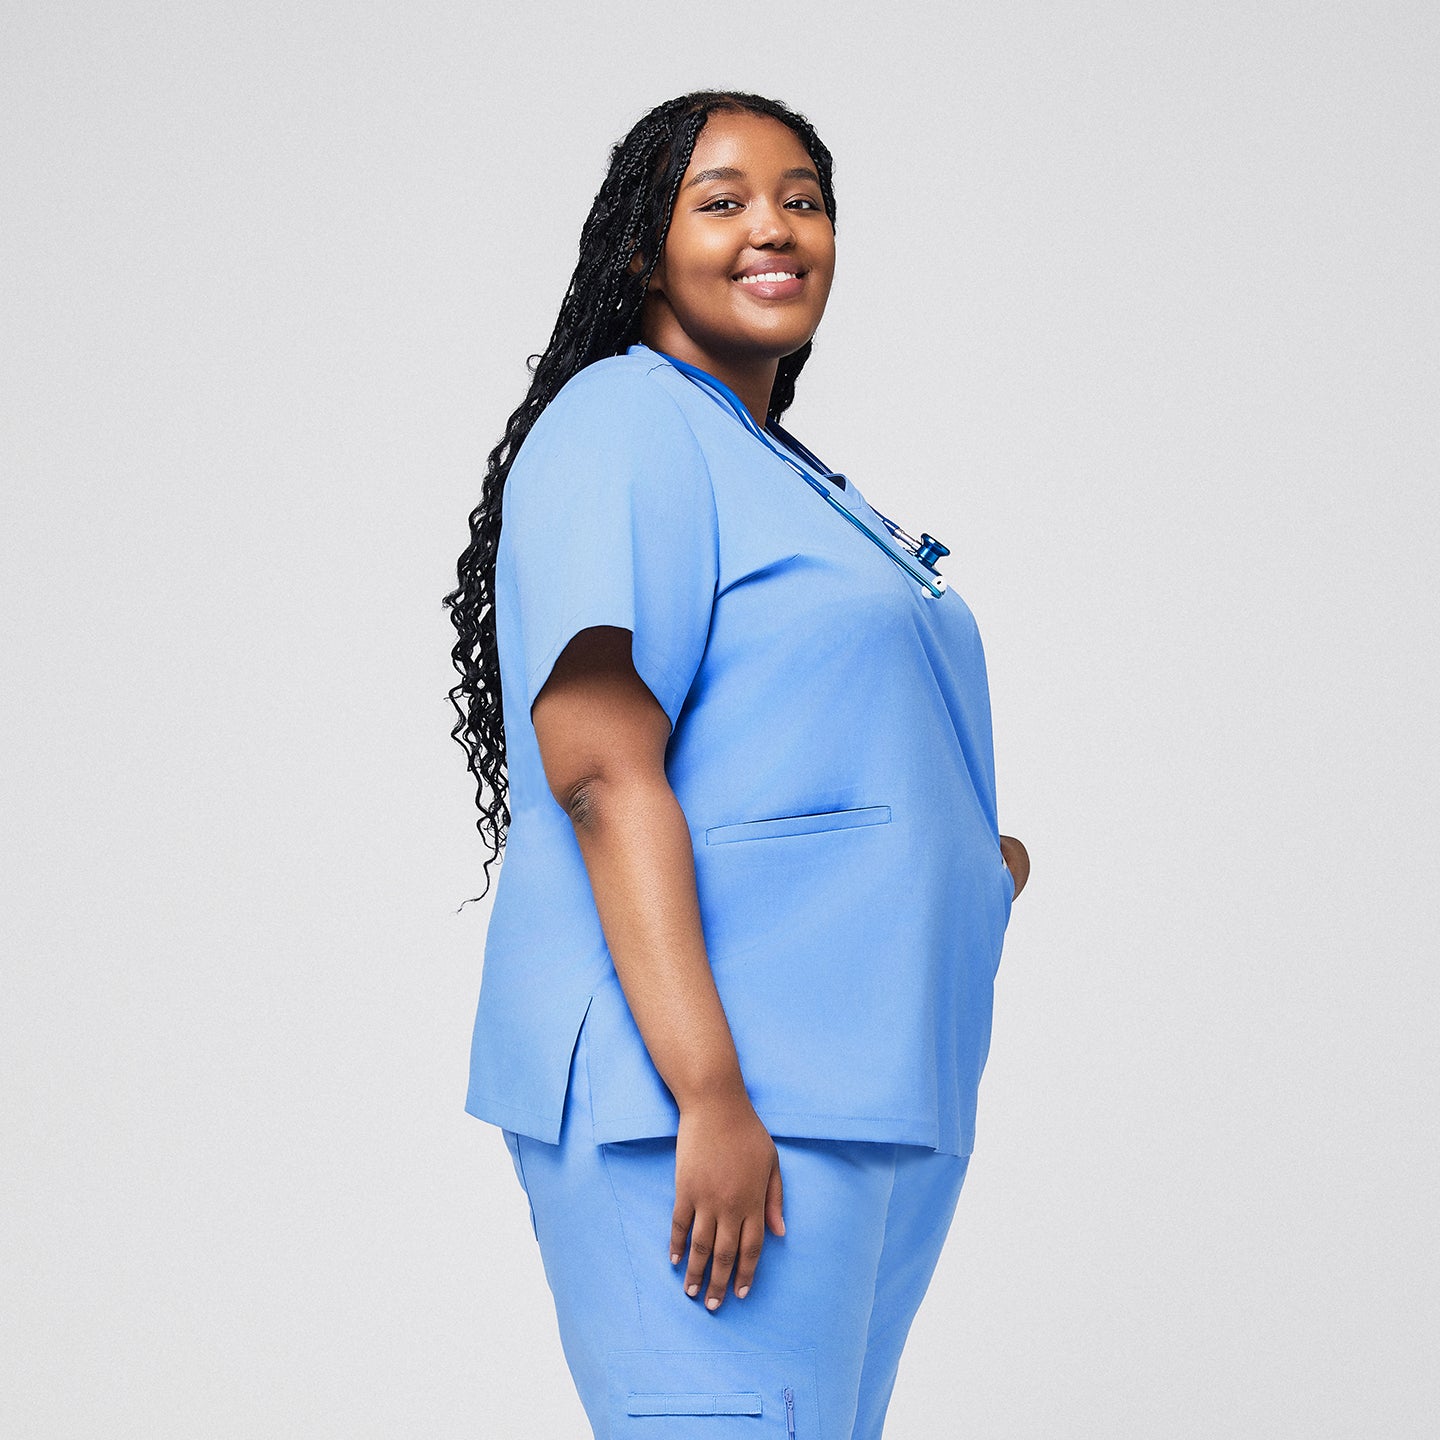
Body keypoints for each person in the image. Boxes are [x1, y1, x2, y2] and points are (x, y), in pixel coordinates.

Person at [444, 89, 1029, 1439]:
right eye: (722, 200)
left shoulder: (780, 470)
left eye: (803, 199)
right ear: (645, 249)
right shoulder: (624, 424)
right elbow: (600, 769)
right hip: (710, 1097)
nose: (774, 226)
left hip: (869, 1085)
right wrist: (707, 1091)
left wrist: (968, 868)